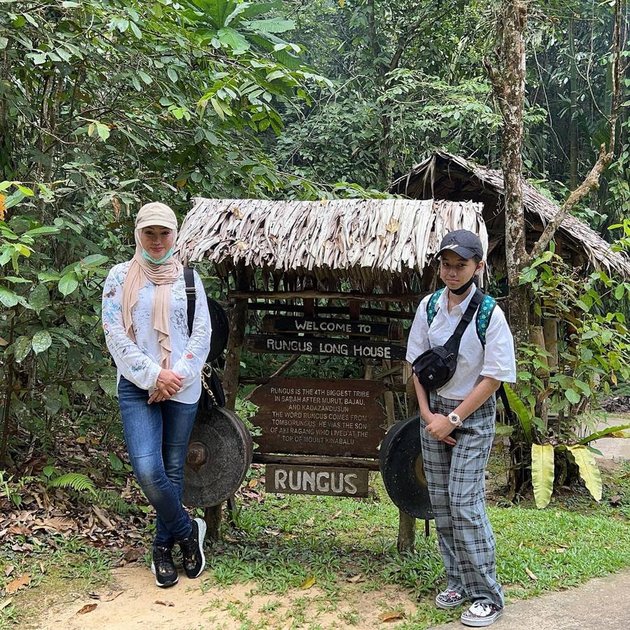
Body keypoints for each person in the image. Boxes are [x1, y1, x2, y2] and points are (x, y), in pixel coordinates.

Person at [406, 229, 516, 627]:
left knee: (465, 504)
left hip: (472, 415)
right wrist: (428, 417)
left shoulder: (491, 313)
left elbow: (494, 377)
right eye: (446, 265)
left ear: (478, 267)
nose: (452, 272)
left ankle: (488, 594)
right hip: (432, 414)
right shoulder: (430, 306)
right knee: (441, 504)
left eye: (461, 265)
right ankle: (457, 580)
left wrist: (452, 420)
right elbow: (416, 365)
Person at [102, 202, 211, 588]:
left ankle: (162, 548)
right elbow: (114, 334)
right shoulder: (119, 277)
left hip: (182, 386)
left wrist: (174, 377)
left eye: (164, 232)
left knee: (173, 469)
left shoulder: (190, 279)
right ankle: (186, 531)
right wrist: (153, 377)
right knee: (148, 469)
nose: (158, 240)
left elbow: (202, 336)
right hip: (136, 386)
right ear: (138, 234)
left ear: (175, 234)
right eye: (150, 233)